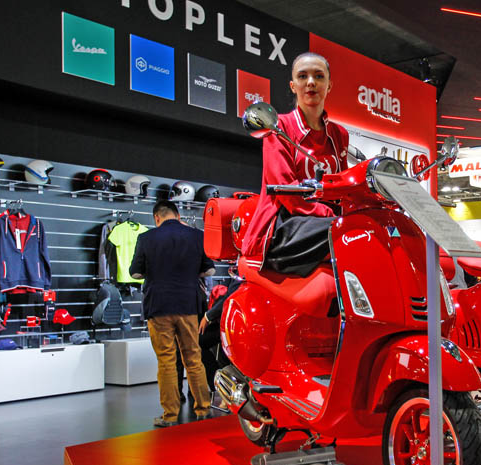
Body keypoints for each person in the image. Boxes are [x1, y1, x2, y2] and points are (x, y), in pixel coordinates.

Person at [241, 52, 349, 276]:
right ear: (293, 85)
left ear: (329, 85)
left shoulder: (339, 134)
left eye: (319, 76)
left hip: (323, 223)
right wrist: (331, 214)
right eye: (303, 76)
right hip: (283, 224)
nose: (311, 82)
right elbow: (285, 191)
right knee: (347, 229)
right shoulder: (280, 127)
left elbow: (343, 185)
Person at [129, 200, 216, 427]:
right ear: (178, 215)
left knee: (166, 361)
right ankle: (203, 409)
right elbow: (210, 270)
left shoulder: (146, 238)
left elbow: (135, 273)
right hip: (188, 305)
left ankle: (170, 415)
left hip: (158, 306)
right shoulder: (197, 236)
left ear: (157, 218)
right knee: (193, 358)